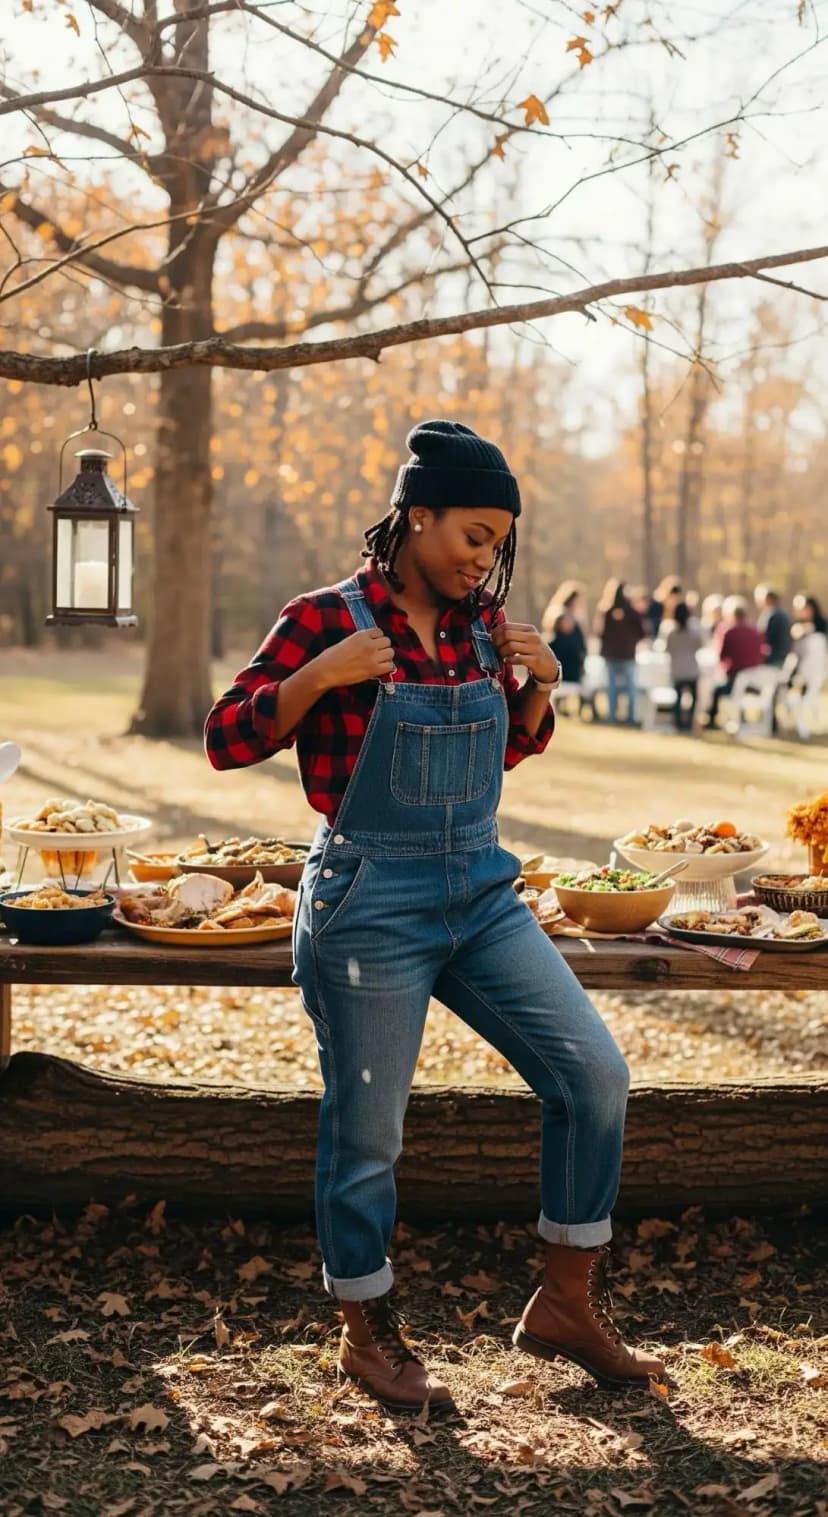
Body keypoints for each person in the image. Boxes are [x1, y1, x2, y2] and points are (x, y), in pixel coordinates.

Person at [205, 419, 664, 1413]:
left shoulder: (476, 631)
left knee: (594, 1075)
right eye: (473, 533)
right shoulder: (322, 616)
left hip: (483, 895)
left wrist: (539, 686)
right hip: (369, 902)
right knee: (368, 1130)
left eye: (498, 540)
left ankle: (565, 1302)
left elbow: (491, 758)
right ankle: (365, 1328)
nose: (484, 557)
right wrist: (319, 675)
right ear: (417, 516)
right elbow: (224, 737)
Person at [704, 598, 764, 730]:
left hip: (736, 677)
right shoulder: (756, 631)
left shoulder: (729, 632)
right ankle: (740, 717)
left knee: (717, 690)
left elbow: (722, 656)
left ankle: (711, 720)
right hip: (755, 679)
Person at [596, 579, 646, 725]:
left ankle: (612, 716)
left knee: (612, 687)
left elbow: (601, 633)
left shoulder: (606, 612)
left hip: (611, 655)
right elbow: (642, 633)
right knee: (630, 687)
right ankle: (630, 717)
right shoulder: (633, 613)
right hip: (627, 654)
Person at [663, 601, 703, 732]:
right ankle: (689, 722)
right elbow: (699, 646)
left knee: (678, 697)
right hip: (691, 670)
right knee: (693, 698)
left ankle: (678, 723)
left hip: (677, 670)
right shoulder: (693, 633)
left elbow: (667, 649)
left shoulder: (671, 634)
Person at [755, 586, 792, 668]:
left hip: (772, 660)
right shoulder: (783, 614)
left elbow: (763, 637)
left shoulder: (772, 615)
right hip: (781, 658)